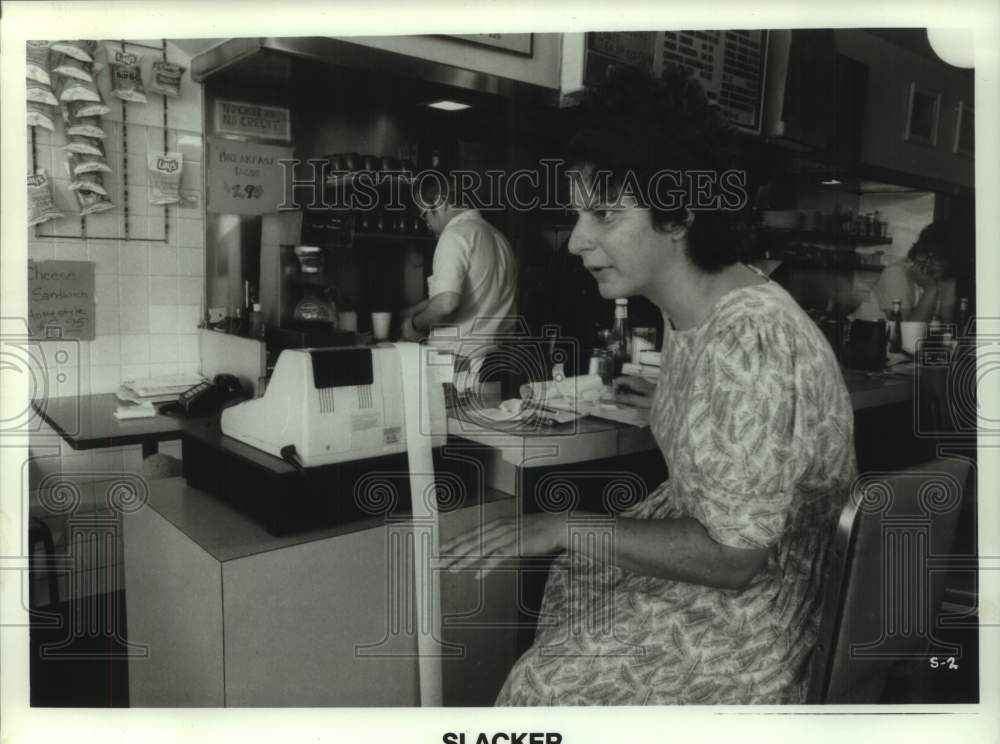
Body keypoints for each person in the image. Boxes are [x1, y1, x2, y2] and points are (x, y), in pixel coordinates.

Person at [440, 66, 857, 705]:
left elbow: (733, 558)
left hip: (765, 616)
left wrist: (560, 525)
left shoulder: (750, 340)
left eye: (604, 213)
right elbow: (745, 444)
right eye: (580, 213)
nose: (579, 240)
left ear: (680, 213)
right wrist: (671, 405)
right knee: (575, 581)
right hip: (745, 577)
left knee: (544, 686)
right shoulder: (694, 310)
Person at [400, 172, 518, 358]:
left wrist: (413, 324)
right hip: (495, 361)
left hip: (457, 364)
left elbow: (447, 305)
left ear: (440, 203)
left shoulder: (454, 235)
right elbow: (470, 293)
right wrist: (415, 310)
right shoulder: (499, 237)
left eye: (425, 216)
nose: (428, 225)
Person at [852, 220, 958, 323]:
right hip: (863, 337)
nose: (939, 265)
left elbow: (946, 327)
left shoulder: (937, 274)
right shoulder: (896, 273)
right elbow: (904, 335)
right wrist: (930, 290)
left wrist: (949, 283)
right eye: (938, 258)